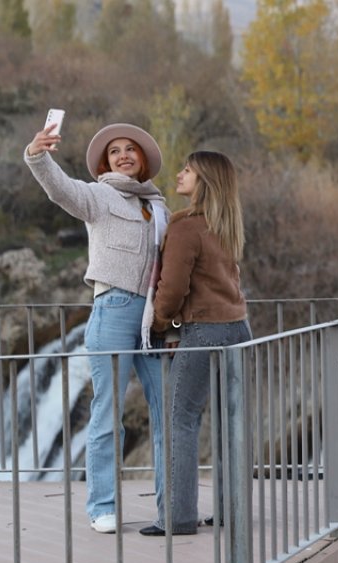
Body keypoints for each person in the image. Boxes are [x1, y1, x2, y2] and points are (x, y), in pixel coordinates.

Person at [25, 122, 169, 534]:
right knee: (108, 413)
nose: (123, 155)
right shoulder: (99, 197)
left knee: (166, 413)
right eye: (115, 151)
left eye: (131, 150)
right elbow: (60, 189)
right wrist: (38, 156)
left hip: (155, 317)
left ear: (142, 160)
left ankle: (172, 504)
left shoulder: (159, 208)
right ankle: (102, 504)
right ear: (105, 162)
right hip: (114, 310)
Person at [141, 150, 250, 536]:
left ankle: (177, 517)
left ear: (203, 180)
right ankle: (230, 511)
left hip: (203, 330)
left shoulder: (186, 226)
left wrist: (156, 326)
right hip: (238, 329)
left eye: (187, 170)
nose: (180, 174)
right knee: (229, 422)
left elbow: (172, 289)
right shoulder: (226, 223)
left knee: (179, 420)